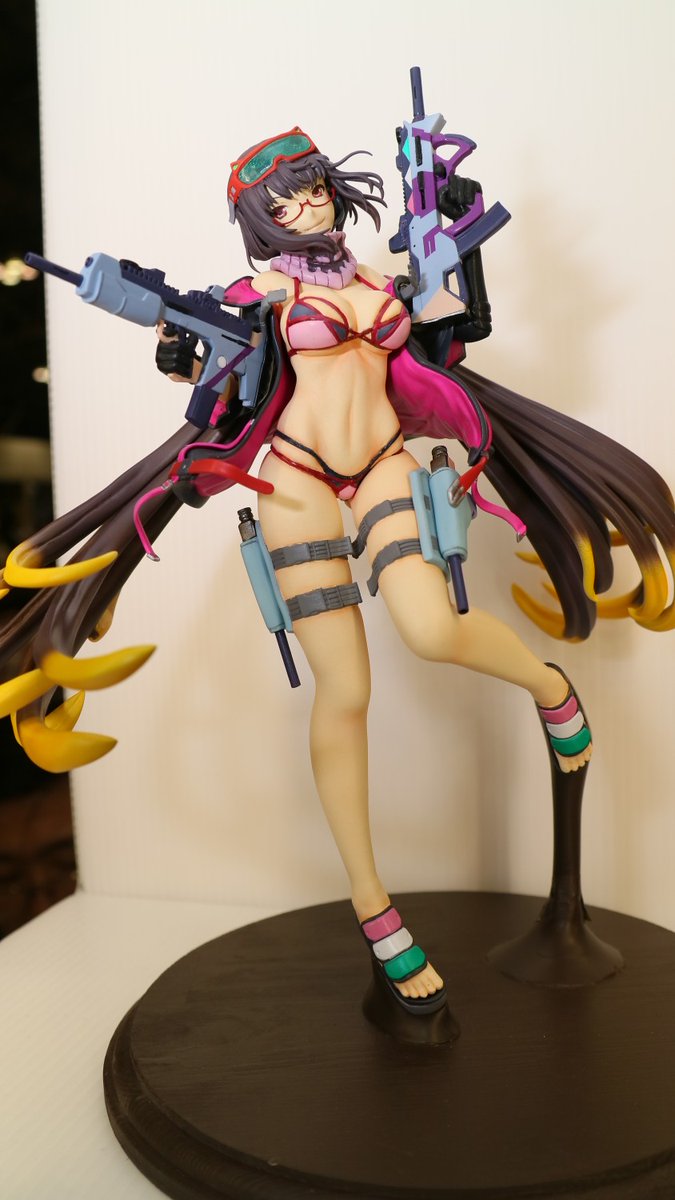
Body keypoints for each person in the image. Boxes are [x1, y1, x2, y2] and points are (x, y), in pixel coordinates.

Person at [1, 126, 673, 1027]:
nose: (304, 205)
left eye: (311, 187)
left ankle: (549, 686)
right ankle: (373, 905)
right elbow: (198, 356)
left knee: (433, 630)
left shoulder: (382, 281)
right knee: (345, 689)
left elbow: (449, 338)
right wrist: (167, 334)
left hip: (386, 463)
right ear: (259, 221)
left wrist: (452, 236)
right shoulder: (259, 294)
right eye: (281, 201)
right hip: (295, 480)